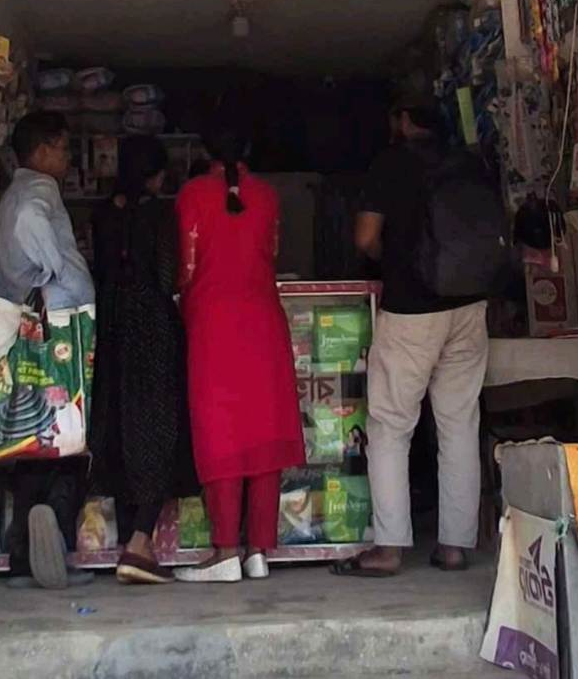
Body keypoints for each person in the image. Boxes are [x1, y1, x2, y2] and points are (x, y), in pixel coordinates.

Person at [334, 102, 490, 577]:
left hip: (411, 311)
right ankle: (454, 546)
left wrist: (395, 258)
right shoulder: (470, 162)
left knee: (391, 426)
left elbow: (365, 237)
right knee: (459, 424)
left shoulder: (392, 163)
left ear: (403, 119)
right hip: (469, 305)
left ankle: (388, 549)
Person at [173, 124, 305, 583]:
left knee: (221, 434)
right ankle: (257, 551)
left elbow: (186, 267)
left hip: (212, 325)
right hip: (264, 322)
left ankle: (225, 549)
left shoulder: (192, 194)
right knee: (263, 434)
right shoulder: (267, 196)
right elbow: (270, 251)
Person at [89, 136, 198, 585]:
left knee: (119, 425)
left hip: (112, 324)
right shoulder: (159, 214)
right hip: (152, 326)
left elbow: (100, 267)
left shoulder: (103, 213)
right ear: (155, 175)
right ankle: (139, 541)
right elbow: (169, 275)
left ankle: (131, 541)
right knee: (159, 429)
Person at [0, 111, 96, 589]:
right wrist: (57, 270)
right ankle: (56, 536)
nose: (67, 158)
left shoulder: (14, 191)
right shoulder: (39, 189)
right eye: (63, 148)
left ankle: (22, 555)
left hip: (29, 329)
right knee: (66, 432)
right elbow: (32, 224)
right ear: (41, 151)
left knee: (31, 432)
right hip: (57, 329)